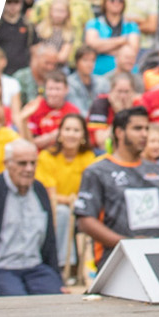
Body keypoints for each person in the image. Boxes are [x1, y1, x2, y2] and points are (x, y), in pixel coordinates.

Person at [74, 107, 159, 264]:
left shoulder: (158, 170)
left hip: (155, 258)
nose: (144, 134)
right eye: (137, 128)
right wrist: (127, 244)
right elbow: (84, 221)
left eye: (146, 128)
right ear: (119, 132)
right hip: (115, 260)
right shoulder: (98, 171)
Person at [0, 140, 62, 297]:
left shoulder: (39, 189)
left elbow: (49, 240)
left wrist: (58, 279)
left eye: (33, 163)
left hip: (35, 267)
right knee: (17, 304)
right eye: (22, 163)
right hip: (0, 269)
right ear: (7, 164)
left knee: (56, 300)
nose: (29, 169)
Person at [36, 115, 97, 272]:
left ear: (83, 135)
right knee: (62, 213)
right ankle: (62, 265)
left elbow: (90, 191)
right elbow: (50, 195)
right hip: (53, 209)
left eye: (76, 130)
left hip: (80, 208)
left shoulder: (88, 157)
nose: (71, 134)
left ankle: (90, 268)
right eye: (67, 129)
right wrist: (71, 200)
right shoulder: (47, 156)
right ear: (60, 133)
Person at [83, 0, 140, 81]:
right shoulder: (94, 23)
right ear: (105, 2)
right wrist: (122, 41)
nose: (116, 3)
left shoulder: (131, 25)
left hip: (127, 76)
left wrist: (102, 47)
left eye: (120, 0)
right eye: (112, 0)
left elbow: (132, 50)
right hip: (99, 74)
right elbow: (92, 46)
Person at [22, 72, 84, 150]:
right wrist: (57, 133)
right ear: (45, 90)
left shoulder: (73, 111)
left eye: (57, 89)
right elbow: (31, 142)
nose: (53, 93)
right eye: (50, 89)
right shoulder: (35, 108)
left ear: (66, 90)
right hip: (40, 156)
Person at [0, 0, 36, 75]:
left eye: (16, 2)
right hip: (0, 71)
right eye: (9, 2)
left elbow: (34, 50)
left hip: (23, 71)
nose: (12, 5)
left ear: (21, 3)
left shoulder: (28, 25)